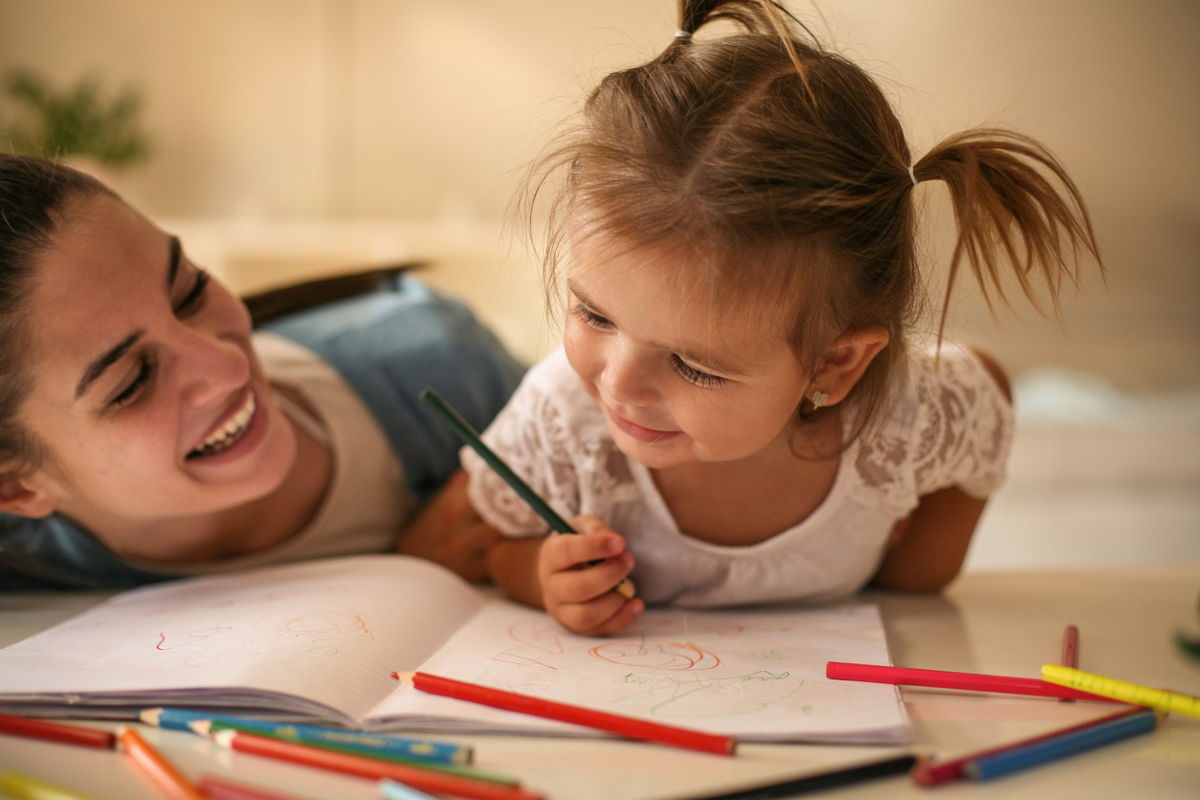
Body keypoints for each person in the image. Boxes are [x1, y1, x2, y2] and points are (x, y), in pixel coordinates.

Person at [459, 0, 1103, 635]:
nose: (618, 385)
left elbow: (925, 565)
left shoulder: (915, 419)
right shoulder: (561, 422)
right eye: (594, 315)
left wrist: (905, 542)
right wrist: (544, 576)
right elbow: (490, 549)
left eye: (693, 364)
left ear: (835, 362)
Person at [0, 153, 525, 590]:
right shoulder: (20, 559)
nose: (227, 365)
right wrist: (397, 570)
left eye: (189, 290)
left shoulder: (442, 365)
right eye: (133, 382)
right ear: (15, 487)